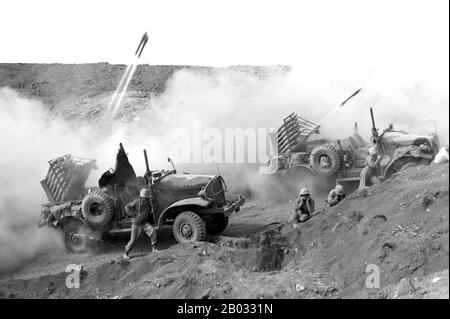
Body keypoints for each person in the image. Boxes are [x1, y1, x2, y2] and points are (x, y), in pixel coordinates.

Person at [123, 188, 158, 259]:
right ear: (142, 197)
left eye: (147, 197)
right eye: (146, 197)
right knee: (133, 240)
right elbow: (127, 207)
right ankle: (126, 253)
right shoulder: (137, 201)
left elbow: (149, 213)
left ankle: (154, 249)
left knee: (153, 231)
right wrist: (132, 214)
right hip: (136, 224)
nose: (147, 198)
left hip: (144, 223)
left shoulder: (148, 203)